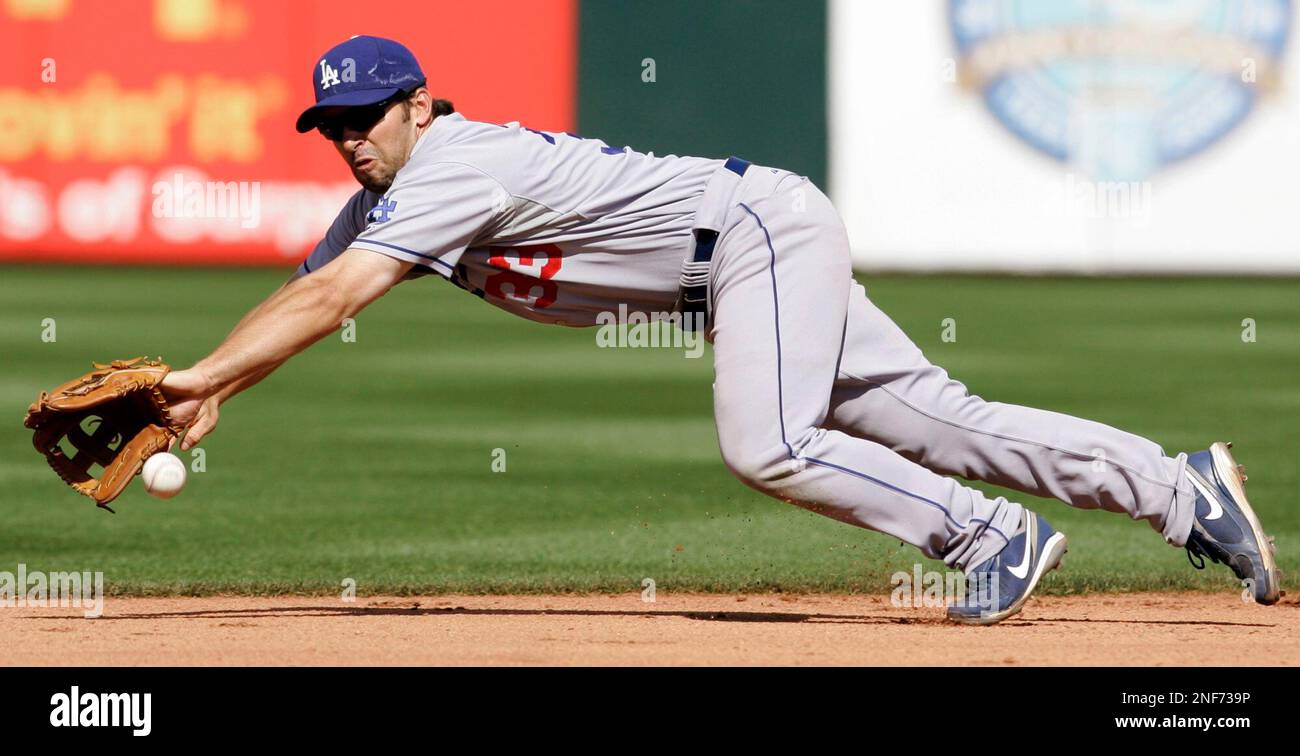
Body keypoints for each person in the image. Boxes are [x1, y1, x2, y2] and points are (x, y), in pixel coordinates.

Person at [159, 36, 1280, 624]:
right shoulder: (385, 202)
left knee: (768, 444)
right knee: (939, 421)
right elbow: (301, 292)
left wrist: (203, 372)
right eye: (332, 126)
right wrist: (215, 390)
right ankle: (1181, 489)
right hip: (746, 259)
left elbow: (336, 298)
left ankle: (990, 537)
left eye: (366, 119)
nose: (349, 140)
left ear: (419, 107)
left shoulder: (454, 163)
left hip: (752, 240)